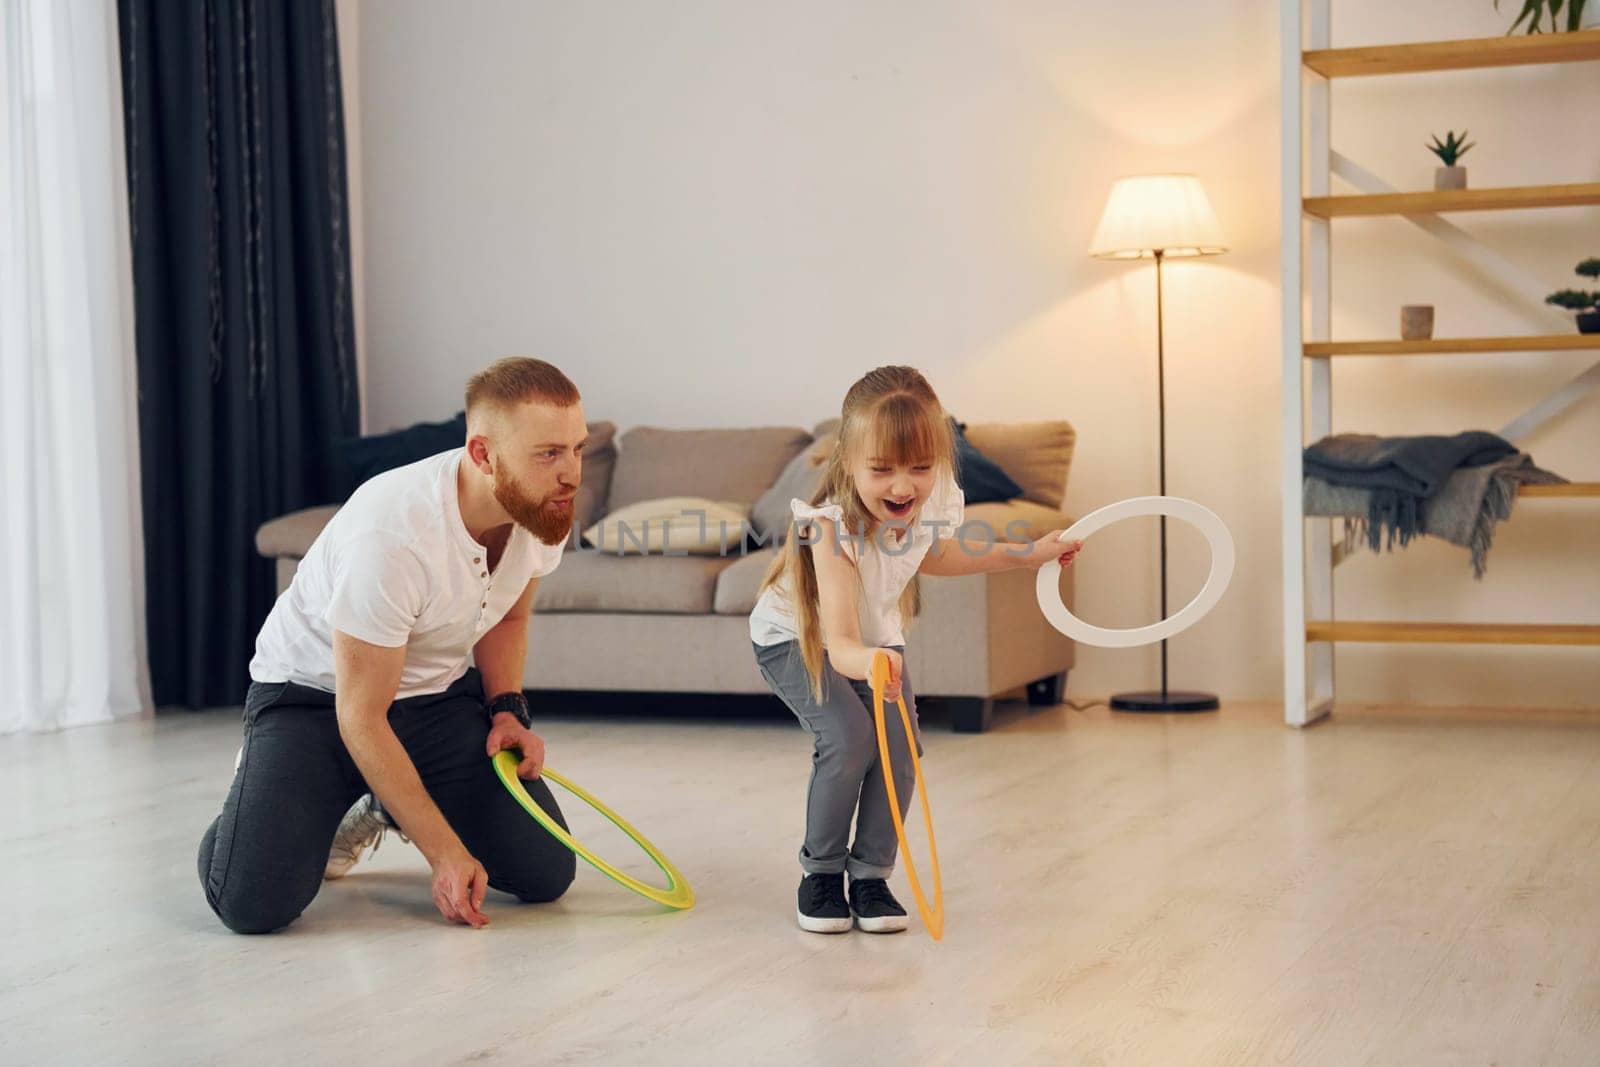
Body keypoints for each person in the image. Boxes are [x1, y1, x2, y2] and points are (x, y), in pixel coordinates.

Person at [197, 357, 587, 933]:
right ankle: (267, 793)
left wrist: (507, 708)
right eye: (549, 453)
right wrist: (443, 854)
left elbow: (506, 619)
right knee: (251, 903)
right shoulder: (392, 534)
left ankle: (382, 800)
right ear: (483, 454)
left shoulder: (540, 509)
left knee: (546, 873)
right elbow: (359, 715)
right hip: (318, 704)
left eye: (577, 448)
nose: (572, 472)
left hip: (433, 699)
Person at [749, 366, 1082, 933]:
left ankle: (872, 877)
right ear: (849, 463)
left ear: (939, 462)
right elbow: (842, 646)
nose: (903, 487)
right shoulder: (830, 530)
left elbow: (941, 557)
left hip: (874, 644)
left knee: (899, 754)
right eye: (881, 470)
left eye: (920, 468)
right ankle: (822, 873)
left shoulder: (932, 502)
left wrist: (1028, 554)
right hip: (801, 640)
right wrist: (874, 663)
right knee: (850, 738)